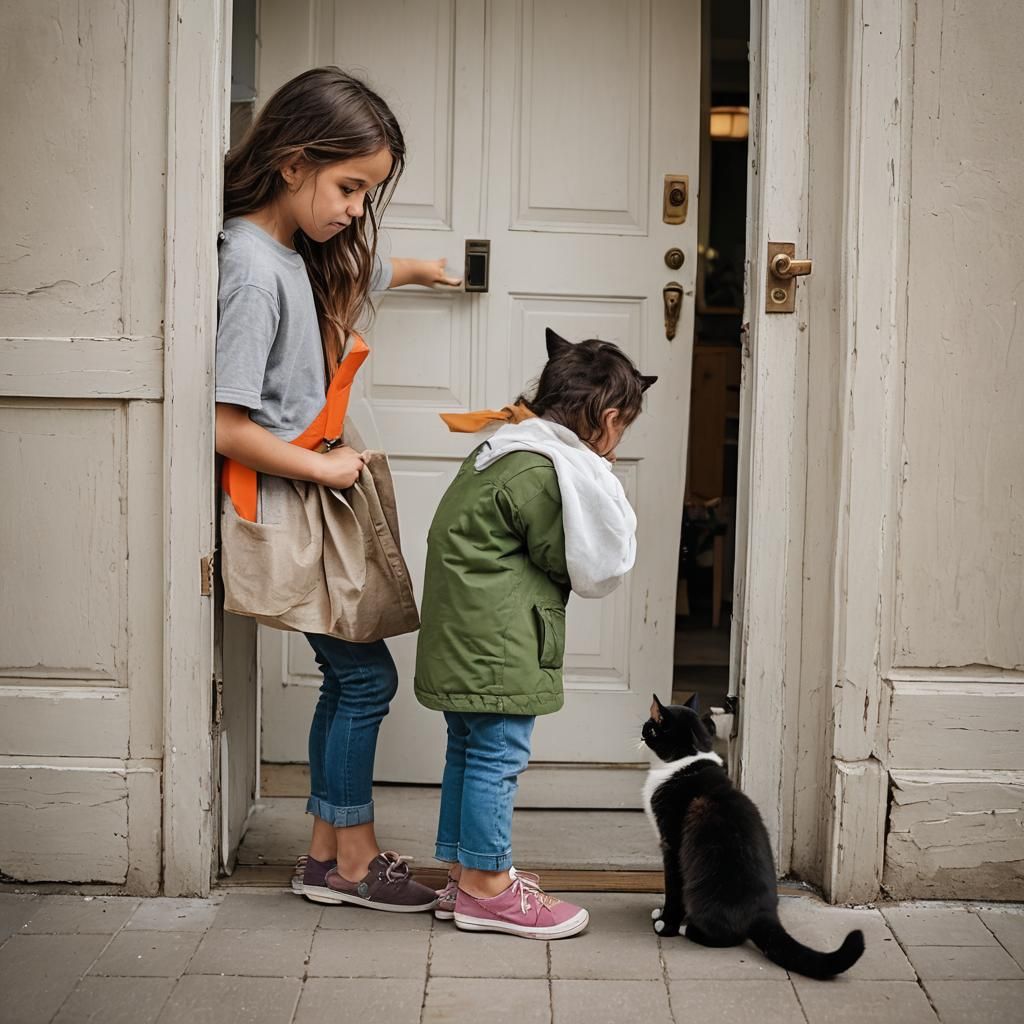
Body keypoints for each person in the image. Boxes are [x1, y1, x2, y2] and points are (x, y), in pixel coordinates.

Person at [215, 66, 458, 912]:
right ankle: (351, 864)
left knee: (352, 678)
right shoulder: (248, 268)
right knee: (365, 681)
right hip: (291, 501)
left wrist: (428, 269)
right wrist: (324, 465)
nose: (357, 208)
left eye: (368, 191)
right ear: (292, 163)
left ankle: (328, 857)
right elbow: (226, 424)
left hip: (315, 497)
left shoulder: (292, 253)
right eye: (350, 186)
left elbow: (370, 268)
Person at [415, 330, 656, 938]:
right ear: (606, 417)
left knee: (468, 752)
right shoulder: (544, 471)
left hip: (463, 639)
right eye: (621, 430)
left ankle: (465, 876)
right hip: (499, 645)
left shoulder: (502, 450)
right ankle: (490, 889)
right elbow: (567, 555)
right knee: (498, 757)